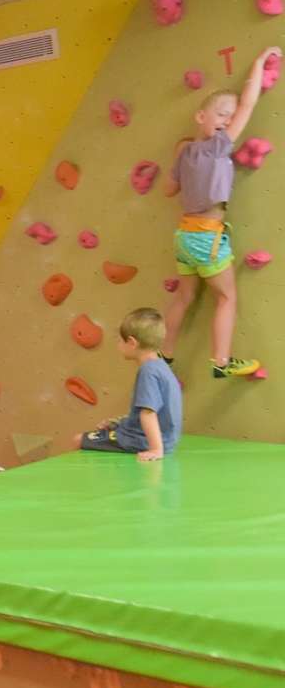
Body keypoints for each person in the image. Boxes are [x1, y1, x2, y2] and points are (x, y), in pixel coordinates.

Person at [162, 47, 279, 378]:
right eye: (222, 114)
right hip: (206, 237)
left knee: (184, 297)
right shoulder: (218, 146)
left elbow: (168, 190)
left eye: (230, 117)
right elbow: (248, 103)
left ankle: (165, 352)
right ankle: (222, 362)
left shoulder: (186, 153)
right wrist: (258, 64)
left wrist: (188, 172)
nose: (229, 120)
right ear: (201, 117)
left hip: (184, 236)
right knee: (227, 297)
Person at [72, 308, 182, 462]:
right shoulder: (161, 366)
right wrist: (117, 424)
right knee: (103, 431)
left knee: (78, 440)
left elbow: (148, 413)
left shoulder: (148, 372)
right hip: (165, 439)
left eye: (119, 340)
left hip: (140, 440)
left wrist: (156, 449)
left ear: (132, 343)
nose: (118, 345)